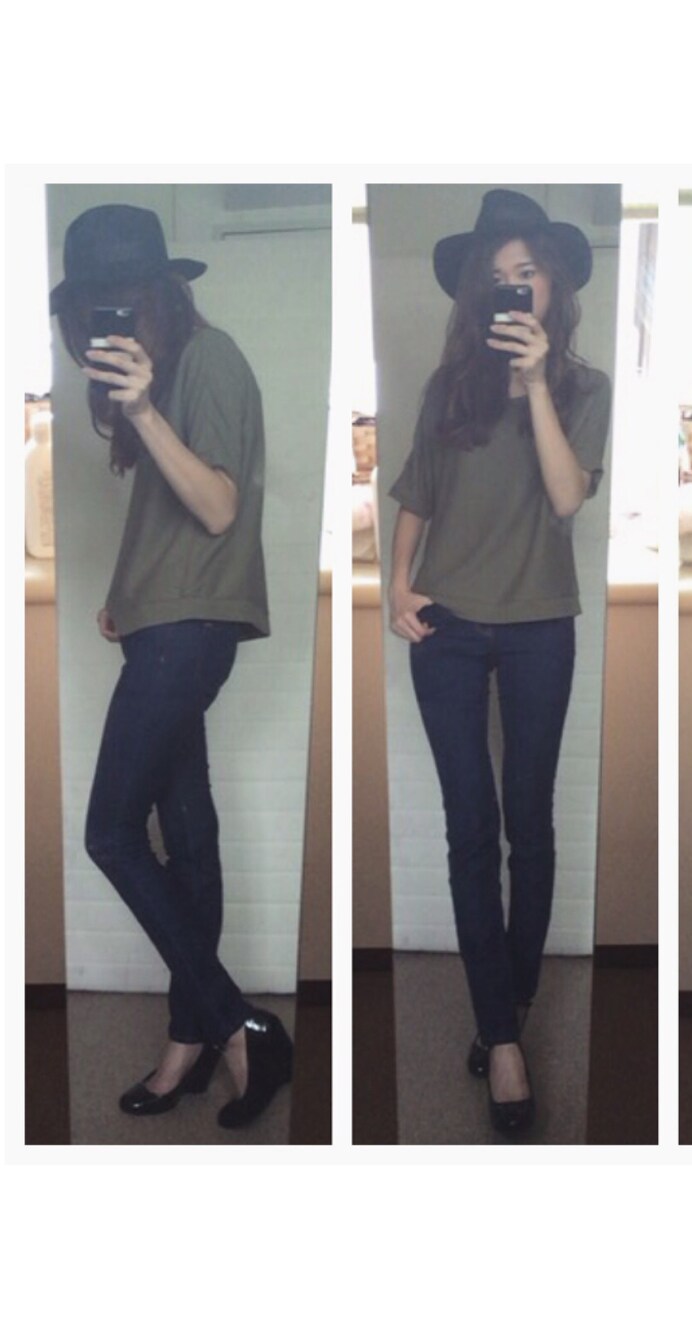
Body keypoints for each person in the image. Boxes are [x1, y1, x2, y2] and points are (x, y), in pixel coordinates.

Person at [50, 204, 293, 1130]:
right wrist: (125, 593)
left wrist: (144, 408)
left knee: (111, 834)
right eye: (94, 301)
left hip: (194, 623)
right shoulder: (152, 376)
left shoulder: (210, 359)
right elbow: (160, 507)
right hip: (160, 618)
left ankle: (237, 1025)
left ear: (160, 290)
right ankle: (190, 1039)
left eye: (125, 294)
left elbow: (220, 506)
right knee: (185, 833)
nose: (110, 313)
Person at [387, 190, 611, 1137]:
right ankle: (506, 1041)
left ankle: (503, 1009)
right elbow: (417, 494)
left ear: (554, 286)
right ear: (480, 295)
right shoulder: (448, 389)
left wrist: (536, 385)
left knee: (531, 822)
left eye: (528, 273)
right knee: (469, 828)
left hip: (538, 627)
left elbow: (565, 498)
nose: (514, 288)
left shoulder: (587, 390)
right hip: (446, 624)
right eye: (498, 277)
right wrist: (396, 584)